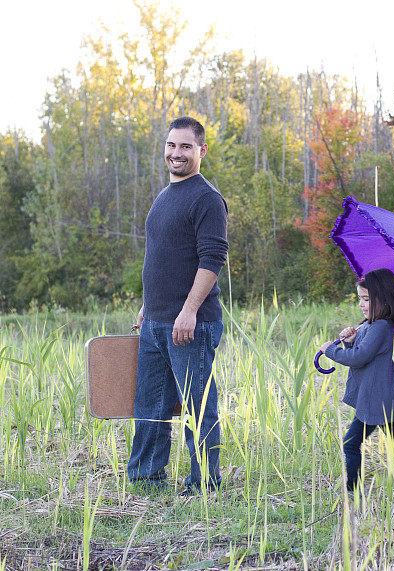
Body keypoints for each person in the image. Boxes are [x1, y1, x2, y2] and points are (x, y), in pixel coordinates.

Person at [127, 116, 229, 494]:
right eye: (172, 145)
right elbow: (162, 256)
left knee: (197, 407)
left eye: (186, 146)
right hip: (155, 321)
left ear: (201, 151)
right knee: (150, 405)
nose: (176, 153)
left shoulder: (207, 198)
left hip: (191, 323)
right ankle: (146, 479)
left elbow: (212, 258)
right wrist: (146, 304)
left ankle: (205, 483)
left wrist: (188, 310)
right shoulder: (165, 196)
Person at [319, 268, 394, 494]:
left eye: (366, 300)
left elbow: (359, 358)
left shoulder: (381, 326)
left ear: (383, 299)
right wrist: (351, 341)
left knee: (350, 444)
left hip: (374, 401)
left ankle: (352, 491)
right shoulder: (372, 325)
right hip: (380, 397)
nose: (361, 304)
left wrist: (331, 351)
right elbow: (364, 357)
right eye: (360, 299)